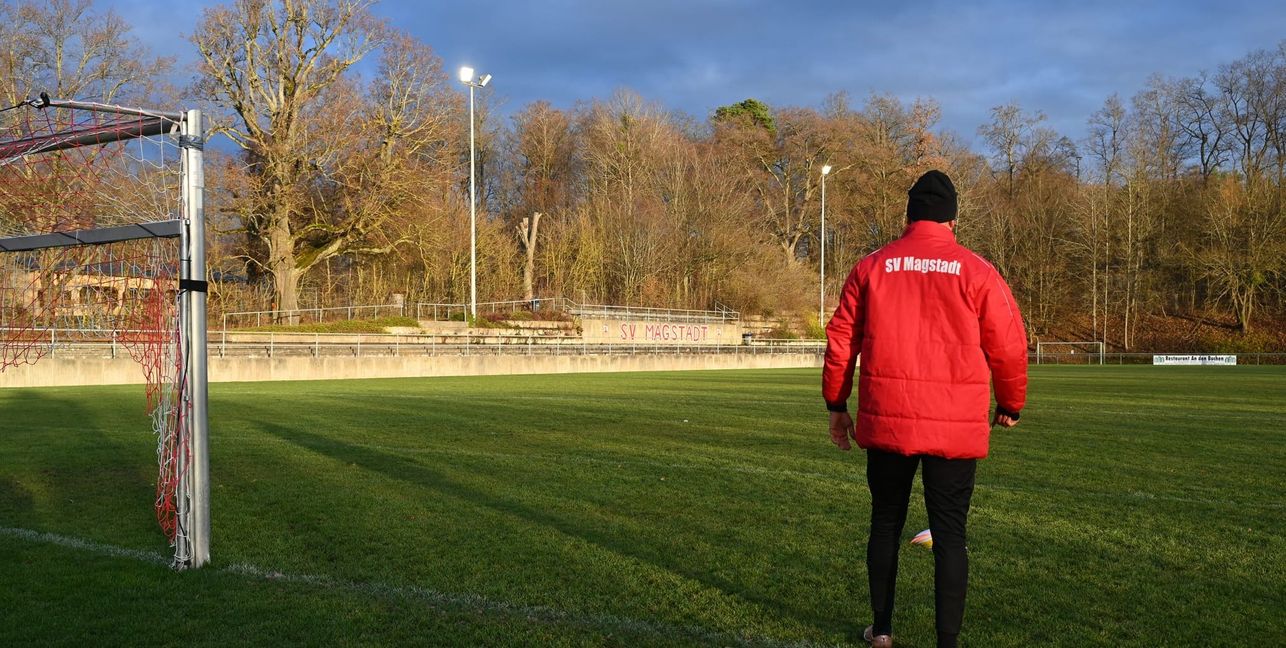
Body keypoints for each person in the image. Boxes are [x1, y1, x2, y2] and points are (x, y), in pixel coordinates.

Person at [821, 170, 1028, 648]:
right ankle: (947, 642)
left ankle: (883, 630)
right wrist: (1011, 402)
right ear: (952, 219)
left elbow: (840, 342)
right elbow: (1010, 346)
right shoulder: (977, 270)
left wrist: (837, 404)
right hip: (954, 427)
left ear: (909, 215)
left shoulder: (872, 265)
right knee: (951, 535)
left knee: (885, 523)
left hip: (887, 418)